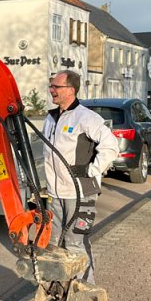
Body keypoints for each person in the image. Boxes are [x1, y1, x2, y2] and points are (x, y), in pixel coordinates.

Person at [42, 69, 119, 284]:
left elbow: (111, 146)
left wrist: (92, 170)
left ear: (71, 90)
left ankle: (86, 289)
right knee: (55, 243)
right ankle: (60, 288)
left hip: (79, 193)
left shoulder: (87, 118)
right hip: (55, 194)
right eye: (51, 86)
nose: (51, 90)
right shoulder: (50, 118)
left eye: (56, 87)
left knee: (75, 243)